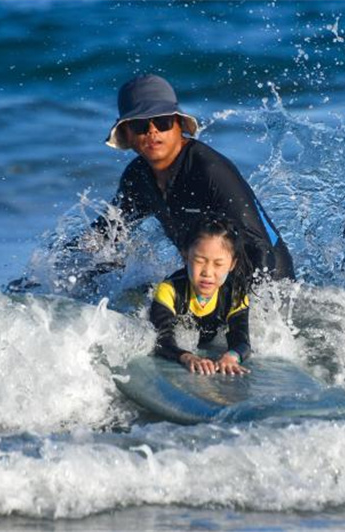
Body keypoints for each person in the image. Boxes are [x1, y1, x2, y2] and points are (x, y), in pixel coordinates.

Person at [94, 73, 294, 280]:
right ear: (126, 133)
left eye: (163, 122)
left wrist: (241, 303)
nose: (153, 131)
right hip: (205, 280)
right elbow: (106, 235)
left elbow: (260, 247)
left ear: (179, 123)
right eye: (140, 125)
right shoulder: (138, 177)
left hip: (268, 278)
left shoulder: (209, 170)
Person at [149, 217, 252, 375]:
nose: (207, 273)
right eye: (199, 261)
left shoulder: (235, 294)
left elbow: (242, 340)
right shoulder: (169, 290)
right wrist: (186, 357)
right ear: (185, 256)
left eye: (218, 264)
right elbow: (162, 340)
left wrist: (232, 356)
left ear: (232, 264)